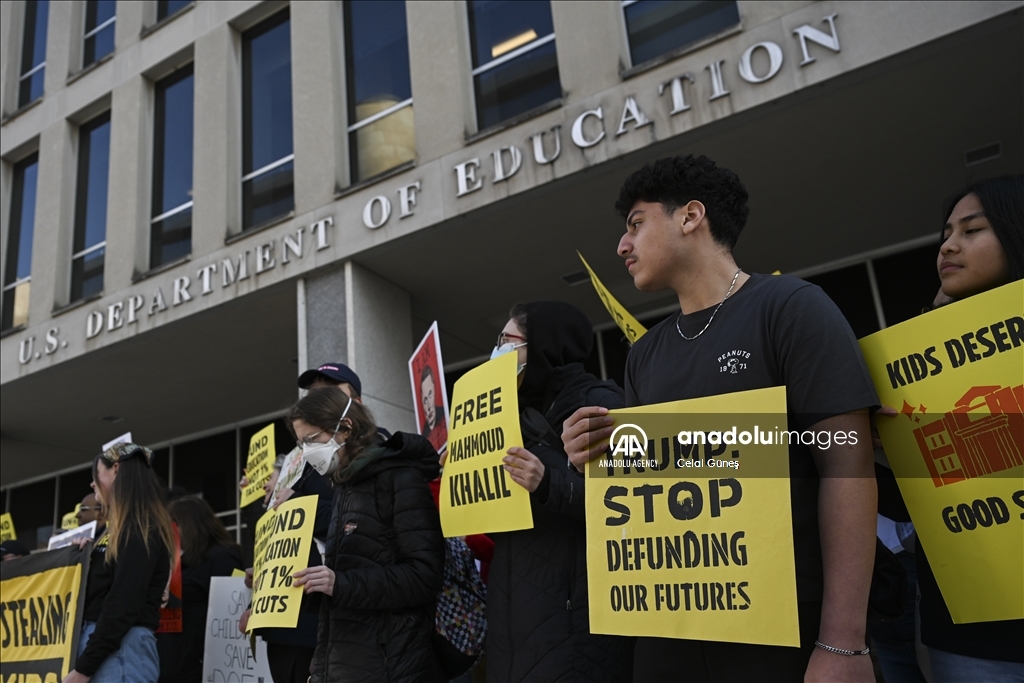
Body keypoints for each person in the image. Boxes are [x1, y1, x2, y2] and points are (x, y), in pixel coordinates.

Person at [562, 154, 879, 682]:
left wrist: (843, 641)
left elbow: (848, 468)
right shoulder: (645, 353)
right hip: (673, 639)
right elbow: (652, 492)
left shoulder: (791, 306)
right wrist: (591, 455)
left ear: (690, 217)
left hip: (785, 633)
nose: (622, 245)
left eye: (636, 225)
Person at [882, 175, 1024, 683]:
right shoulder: (910, 368)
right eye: (946, 233)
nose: (948, 245)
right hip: (973, 635)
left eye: (972, 230)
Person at [488, 301, 635, 682]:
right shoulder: (505, 417)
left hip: (576, 619)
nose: (499, 350)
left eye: (508, 340)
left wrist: (548, 483)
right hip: (515, 620)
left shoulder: (600, 404)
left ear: (544, 345)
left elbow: (629, 508)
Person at [289, 387, 445, 683]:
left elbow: (425, 576)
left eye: (312, 439)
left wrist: (340, 583)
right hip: (349, 665)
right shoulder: (345, 487)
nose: (307, 451)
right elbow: (345, 586)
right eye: (301, 444)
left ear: (345, 428)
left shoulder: (400, 478)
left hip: (392, 666)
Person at [64, 442, 174, 683]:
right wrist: (83, 555)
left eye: (96, 475)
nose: (93, 484)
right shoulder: (118, 529)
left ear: (115, 470)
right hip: (109, 648)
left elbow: (123, 603)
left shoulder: (140, 528)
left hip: (121, 650)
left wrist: (84, 668)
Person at [158, 497, 244, 683]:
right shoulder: (177, 562)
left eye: (172, 524)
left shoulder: (222, 556)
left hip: (204, 666)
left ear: (188, 524)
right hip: (174, 664)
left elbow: (232, 611)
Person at [419, 364, 446, 450]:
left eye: (430, 395)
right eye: (425, 400)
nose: (429, 406)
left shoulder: (445, 417)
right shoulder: (422, 438)